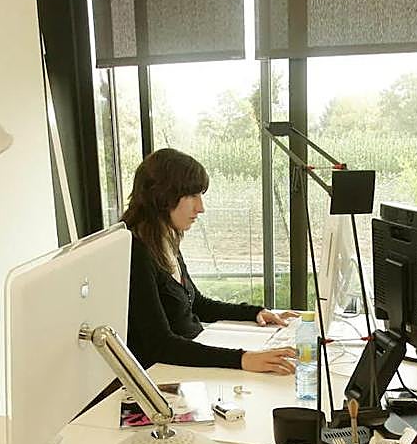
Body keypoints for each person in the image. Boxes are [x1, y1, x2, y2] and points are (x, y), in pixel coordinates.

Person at [122, 148, 299, 373]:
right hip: (164, 372)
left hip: (188, 360)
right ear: (163, 196)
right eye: (192, 196)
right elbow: (160, 345)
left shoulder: (164, 239)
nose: (201, 207)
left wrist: (255, 313)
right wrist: (242, 359)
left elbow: (197, 303)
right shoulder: (136, 252)